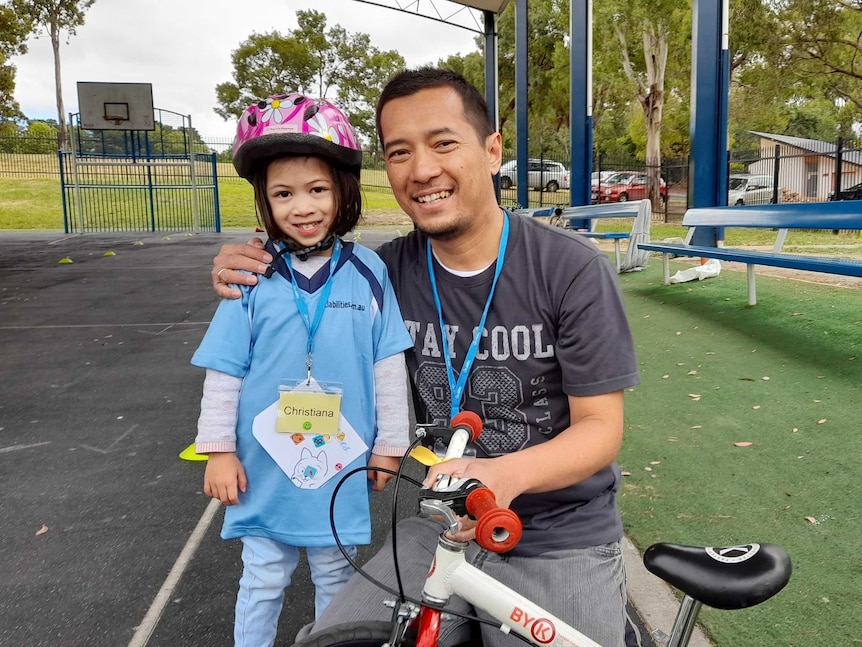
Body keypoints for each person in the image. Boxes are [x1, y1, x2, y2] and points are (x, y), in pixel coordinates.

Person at [211, 68, 640, 647]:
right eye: (398, 152)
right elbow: (296, 288)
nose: (422, 170)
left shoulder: (570, 270)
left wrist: (502, 474)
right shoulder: (377, 275)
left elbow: (600, 430)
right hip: (440, 526)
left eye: (443, 143)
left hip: (558, 533)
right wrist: (246, 261)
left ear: (492, 151)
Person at [193, 92, 413, 647]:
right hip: (265, 467)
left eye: (317, 189)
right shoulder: (250, 276)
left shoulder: (367, 271)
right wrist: (218, 450)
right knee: (263, 577)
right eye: (284, 194)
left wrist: (390, 445)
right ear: (266, 202)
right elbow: (224, 371)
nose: (303, 207)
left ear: (343, 191)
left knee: (336, 576)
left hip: (340, 463)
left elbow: (387, 362)